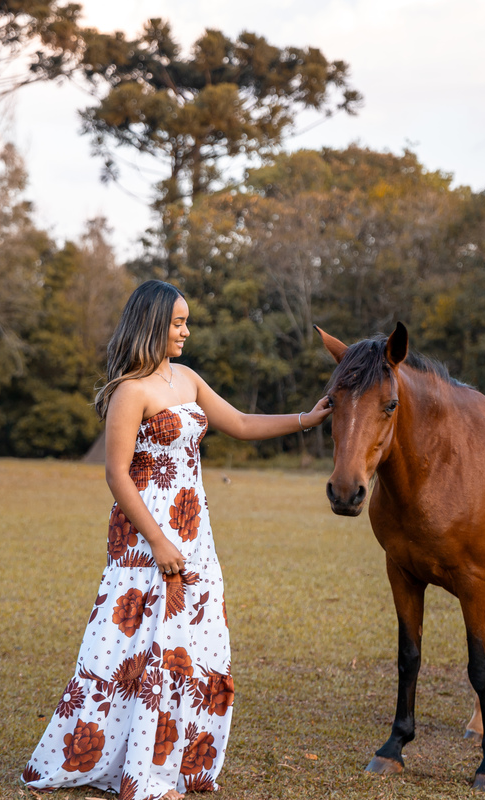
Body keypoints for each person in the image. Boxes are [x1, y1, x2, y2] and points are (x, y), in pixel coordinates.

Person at [21, 280, 332, 800]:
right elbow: (116, 474)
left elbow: (240, 423)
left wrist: (308, 418)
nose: (186, 332)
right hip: (145, 537)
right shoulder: (130, 391)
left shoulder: (187, 379)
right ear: (152, 325)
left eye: (187, 322)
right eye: (178, 323)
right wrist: (158, 541)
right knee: (135, 648)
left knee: (189, 648)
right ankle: (139, 772)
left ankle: (176, 763)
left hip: (193, 532)